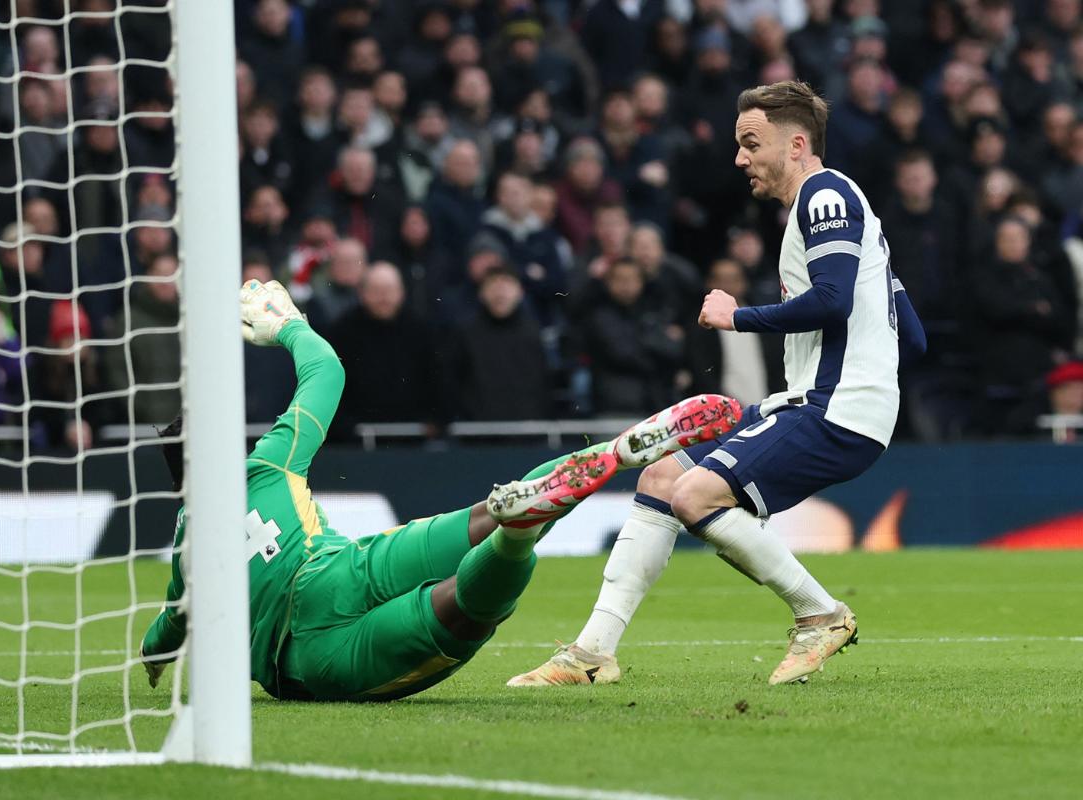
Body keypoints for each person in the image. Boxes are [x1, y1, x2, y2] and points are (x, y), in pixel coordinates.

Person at [138, 278, 741, 702]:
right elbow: (328, 371)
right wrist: (290, 327)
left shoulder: (187, 548)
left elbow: (170, 625)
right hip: (340, 569)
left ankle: (515, 541)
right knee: (481, 516)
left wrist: (153, 659)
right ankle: (600, 461)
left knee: (457, 608)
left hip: (308, 656)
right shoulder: (266, 464)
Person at [510, 80, 928, 688]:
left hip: (833, 407)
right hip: (822, 401)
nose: (740, 158)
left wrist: (740, 318)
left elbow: (835, 302)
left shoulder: (824, 193)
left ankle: (820, 614)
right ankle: (593, 651)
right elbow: (910, 338)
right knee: (662, 477)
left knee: (696, 496)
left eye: (751, 142)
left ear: (797, 144)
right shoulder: (844, 213)